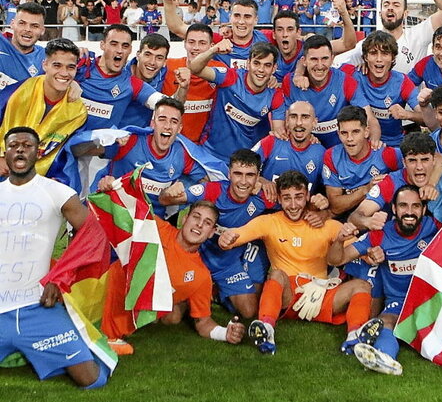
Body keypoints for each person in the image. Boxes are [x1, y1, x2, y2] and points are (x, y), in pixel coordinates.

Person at [0, 127, 109, 388]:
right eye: (14, 145)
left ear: (37, 153)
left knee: (90, 379)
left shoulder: (57, 192)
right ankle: (33, 352)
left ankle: (47, 347)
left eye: (27, 145)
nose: (20, 149)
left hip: (38, 307)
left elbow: (94, 236)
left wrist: (59, 277)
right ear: (5, 154)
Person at [219, 170, 372, 355]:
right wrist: (225, 239)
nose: (293, 205)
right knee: (276, 274)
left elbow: (362, 251)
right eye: (287, 198)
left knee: (362, 286)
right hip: (287, 296)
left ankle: (355, 337)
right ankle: (266, 329)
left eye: (298, 197)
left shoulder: (328, 225)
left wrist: (373, 252)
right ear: (279, 199)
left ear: (307, 196)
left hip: (321, 292)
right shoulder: (269, 222)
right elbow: (236, 236)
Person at [101, 199, 245, 354]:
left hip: (118, 324)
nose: (199, 224)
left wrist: (225, 333)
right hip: (98, 291)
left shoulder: (201, 277)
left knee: (171, 316)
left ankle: (110, 334)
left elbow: (203, 323)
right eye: (196, 217)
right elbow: (122, 209)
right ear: (185, 219)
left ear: (211, 232)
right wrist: (110, 187)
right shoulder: (156, 228)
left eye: (207, 222)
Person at [328, 184, 438, 375]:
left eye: (416, 206)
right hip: (398, 303)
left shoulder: (435, 228)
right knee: (384, 322)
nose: (410, 212)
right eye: (403, 206)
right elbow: (335, 259)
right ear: (394, 209)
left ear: (424, 209)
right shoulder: (380, 235)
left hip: (430, 301)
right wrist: (339, 240)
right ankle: (385, 359)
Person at [159, 149, 275, 319]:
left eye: (249, 175)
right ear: (229, 174)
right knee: (172, 317)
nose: (243, 181)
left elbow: (294, 207)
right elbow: (165, 200)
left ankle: (215, 291)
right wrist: (169, 193)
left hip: (227, 265)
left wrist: (321, 212)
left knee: (249, 311)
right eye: (237, 174)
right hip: (196, 259)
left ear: (258, 177)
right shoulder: (213, 190)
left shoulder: (264, 198)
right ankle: (197, 292)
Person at [76, 97, 223, 219]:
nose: (167, 126)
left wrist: (186, 188)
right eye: (162, 119)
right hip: (115, 215)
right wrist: (108, 139)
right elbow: (79, 151)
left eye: (173, 122)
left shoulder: (182, 154)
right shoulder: (130, 141)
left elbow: (211, 179)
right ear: (153, 124)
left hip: (150, 225)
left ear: (179, 129)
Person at [273, 34, 380, 149]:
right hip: (305, 147)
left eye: (324, 59)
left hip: (340, 150)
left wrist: (374, 142)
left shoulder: (345, 81)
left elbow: (369, 117)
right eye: (314, 59)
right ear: (304, 61)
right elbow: (285, 122)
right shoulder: (290, 82)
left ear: (332, 59)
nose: (320, 65)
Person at [0, 39, 87, 178]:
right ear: (45, 65)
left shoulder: (78, 112)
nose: (64, 73)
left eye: (70, 67)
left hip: (41, 182)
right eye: (57, 65)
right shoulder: (18, 92)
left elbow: (66, 155)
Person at [188, 40, 284, 163]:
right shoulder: (230, 78)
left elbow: (278, 134)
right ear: (248, 64)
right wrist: (213, 50)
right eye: (256, 63)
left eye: (267, 65)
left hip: (244, 164)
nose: (261, 69)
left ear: (274, 68)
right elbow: (194, 68)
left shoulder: (275, 95)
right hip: (210, 155)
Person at [336, 0, 442, 74]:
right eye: (386, 4)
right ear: (380, 13)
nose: (390, 8)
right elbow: (336, 64)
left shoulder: (418, 35)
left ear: (405, 14)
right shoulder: (367, 45)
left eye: (396, 5)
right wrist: (357, 70)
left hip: (411, 99)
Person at [74, 24, 164, 130]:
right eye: (114, 44)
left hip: (102, 146)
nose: (120, 50)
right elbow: (51, 59)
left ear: (130, 49)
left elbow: (166, 104)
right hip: (65, 142)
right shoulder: (81, 66)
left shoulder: (131, 84)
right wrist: (70, 81)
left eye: (125, 46)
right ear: (102, 45)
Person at [341, 31, 422, 146]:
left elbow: (426, 118)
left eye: (385, 53)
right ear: (365, 57)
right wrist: (304, 77)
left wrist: (407, 114)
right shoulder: (353, 74)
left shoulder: (402, 82)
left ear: (393, 58)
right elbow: (324, 70)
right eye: (373, 53)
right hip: (361, 145)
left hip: (394, 145)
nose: (379, 59)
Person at [323, 105, 402, 220]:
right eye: (344, 133)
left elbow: (413, 168)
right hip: (347, 220)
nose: (350, 138)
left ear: (366, 132)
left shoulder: (385, 154)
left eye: (355, 132)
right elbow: (336, 206)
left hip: (382, 219)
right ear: (338, 133)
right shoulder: (332, 156)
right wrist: (366, 189)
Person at [253, 100, 325, 194]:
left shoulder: (321, 154)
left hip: (300, 208)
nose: (299, 123)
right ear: (287, 121)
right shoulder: (271, 142)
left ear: (314, 122)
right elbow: (243, 168)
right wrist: (262, 181)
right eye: (293, 117)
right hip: (267, 207)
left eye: (305, 117)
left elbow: (329, 189)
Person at [0, 2, 46, 107]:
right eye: (22, 23)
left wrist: (74, 84)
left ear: (42, 30)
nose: (28, 29)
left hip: (22, 121)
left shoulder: (47, 57)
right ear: (12, 24)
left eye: (34, 26)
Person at [120, 33, 170, 128]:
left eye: (159, 58)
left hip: (141, 137)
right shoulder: (119, 74)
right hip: (112, 136)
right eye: (148, 55)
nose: (152, 62)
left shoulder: (164, 74)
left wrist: (183, 88)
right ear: (138, 55)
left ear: (164, 62)